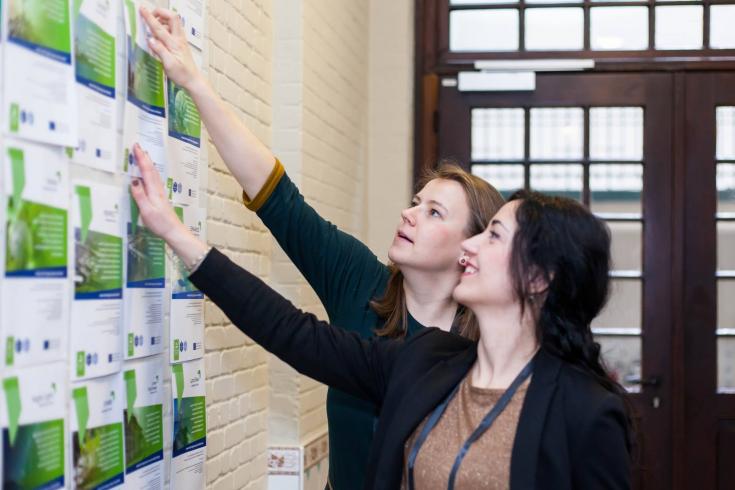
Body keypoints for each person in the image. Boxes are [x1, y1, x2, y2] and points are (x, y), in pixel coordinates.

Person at [138, 7, 505, 488]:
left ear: (468, 249)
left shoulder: (485, 349)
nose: (408, 214)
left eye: (434, 212)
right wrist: (194, 81)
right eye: (416, 202)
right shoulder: (361, 283)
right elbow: (278, 200)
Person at [130, 145, 632, 489]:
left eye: (493, 236)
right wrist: (176, 235)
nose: (470, 248)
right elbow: (290, 331)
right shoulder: (426, 361)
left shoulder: (586, 413)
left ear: (540, 278)